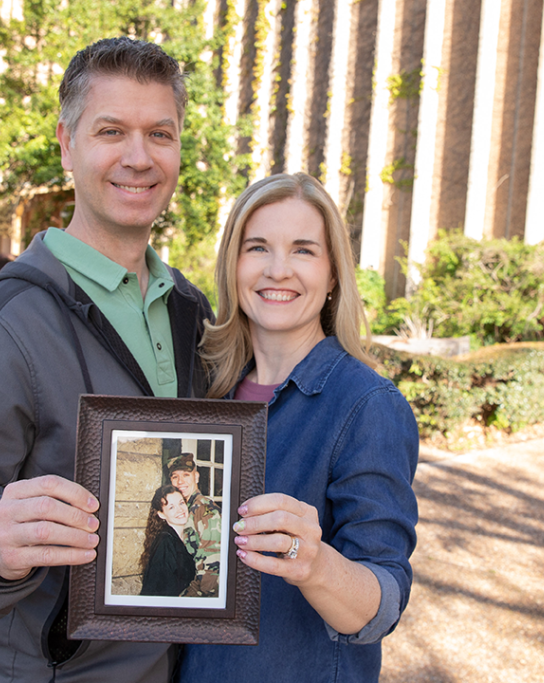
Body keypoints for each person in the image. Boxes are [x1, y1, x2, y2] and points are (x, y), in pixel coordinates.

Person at [0, 38, 213, 682]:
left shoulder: (191, 308)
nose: (138, 157)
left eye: (161, 133)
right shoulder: (5, 324)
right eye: (111, 131)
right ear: (68, 148)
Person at [178, 173, 419, 682]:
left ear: (333, 275)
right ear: (234, 264)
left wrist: (315, 564)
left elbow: (383, 602)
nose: (278, 269)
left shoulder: (368, 405)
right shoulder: (207, 394)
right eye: (258, 247)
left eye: (304, 251)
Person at [167, 454, 221, 596]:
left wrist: (188, 600)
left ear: (196, 477)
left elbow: (213, 568)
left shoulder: (204, 509)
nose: (180, 482)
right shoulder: (186, 508)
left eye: (186, 475)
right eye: (175, 477)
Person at [139, 485, 196, 597]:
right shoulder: (165, 542)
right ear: (161, 514)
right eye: (171, 507)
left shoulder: (183, 537)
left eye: (181, 503)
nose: (180, 510)